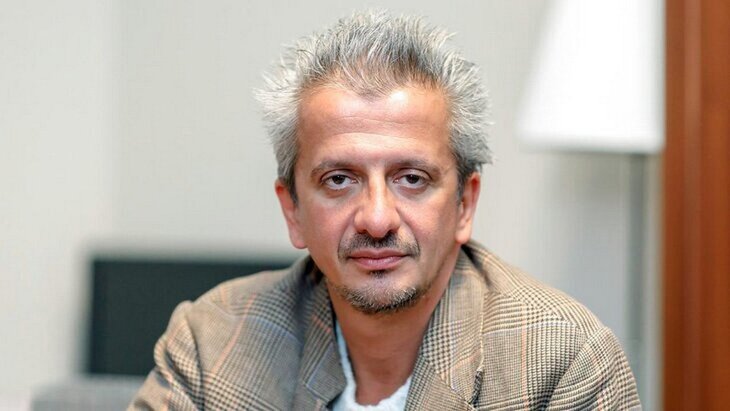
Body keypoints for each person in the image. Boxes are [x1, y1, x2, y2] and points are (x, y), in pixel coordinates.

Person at [130, 10, 640, 410]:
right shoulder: (213, 343)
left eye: (412, 179)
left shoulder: (562, 362)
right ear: (293, 211)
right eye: (339, 180)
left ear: (465, 204)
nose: (376, 219)